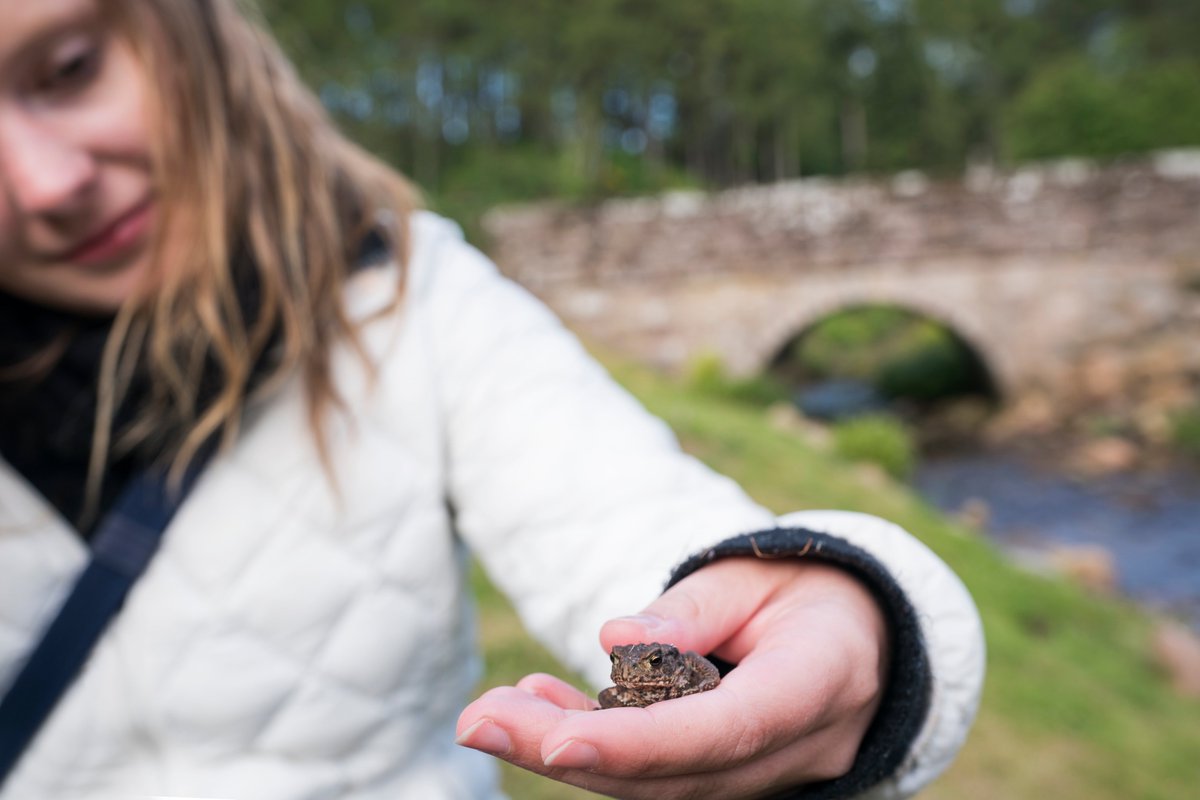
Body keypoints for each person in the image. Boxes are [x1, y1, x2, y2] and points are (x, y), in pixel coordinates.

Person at [0, 1, 985, 798]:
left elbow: (625, 513)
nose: (47, 184)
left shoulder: (410, 293)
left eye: (71, 68)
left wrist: (847, 607)